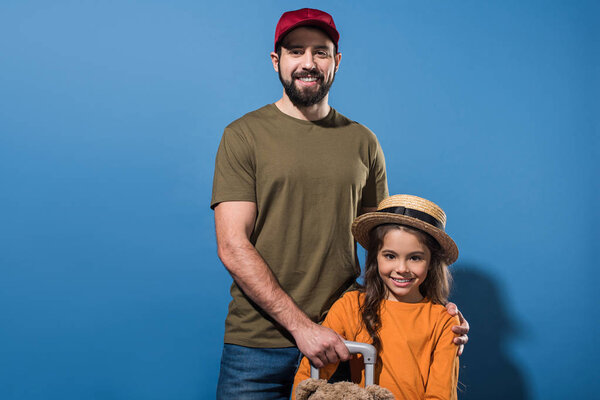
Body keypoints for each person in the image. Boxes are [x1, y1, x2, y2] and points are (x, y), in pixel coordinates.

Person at [211, 8, 469, 399]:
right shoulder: (243, 136)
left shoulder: (363, 142)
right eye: (296, 51)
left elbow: (387, 245)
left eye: (321, 51)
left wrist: (433, 320)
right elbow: (232, 245)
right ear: (276, 60)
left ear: (337, 61)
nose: (308, 63)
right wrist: (302, 328)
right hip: (256, 345)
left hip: (345, 341)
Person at [293, 194, 461, 399]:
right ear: (375, 257)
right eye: (390, 256)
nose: (401, 269)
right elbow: (311, 374)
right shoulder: (350, 306)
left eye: (415, 258)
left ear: (431, 262)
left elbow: (441, 395)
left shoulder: (444, 321)